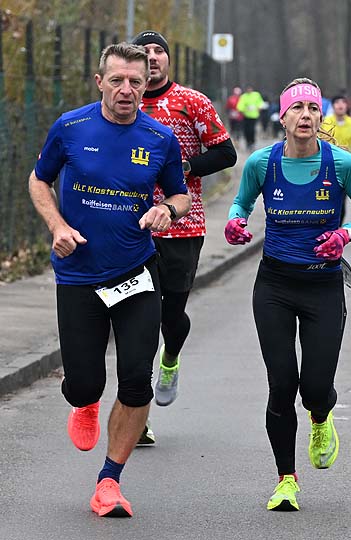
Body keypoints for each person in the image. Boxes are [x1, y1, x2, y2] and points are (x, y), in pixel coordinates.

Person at [28, 42, 191, 518]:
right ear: (100, 82)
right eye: (117, 80)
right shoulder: (71, 127)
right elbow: (39, 180)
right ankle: (84, 402)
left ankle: (109, 482)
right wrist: (57, 226)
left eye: (136, 82)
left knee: (137, 379)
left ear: (146, 85)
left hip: (136, 271)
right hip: (79, 273)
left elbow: (180, 195)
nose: (126, 90)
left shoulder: (159, 138)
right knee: (85, 383)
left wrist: (167, 210)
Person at [224, 77, 351, 511]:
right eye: (297, 108)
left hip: (323, 287)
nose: (305, 115)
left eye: (313, 108)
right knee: (281, 385)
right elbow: (241, 203)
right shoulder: (262, 163)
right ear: (283, 116)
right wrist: (235, 222)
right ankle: (286, 480)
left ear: (320, 116)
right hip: (274, 285)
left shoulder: (342, 164)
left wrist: (345, 234)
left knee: (314, 388)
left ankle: (321, 415)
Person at [131, 30, 236, 442]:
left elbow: (225, 153)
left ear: (168, 59)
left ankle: (170, 357)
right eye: (144, 51)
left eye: (159, 51)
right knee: (138, 319)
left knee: (170, 317)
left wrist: (183, 167)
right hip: (132, 226)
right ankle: (138, 416)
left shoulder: (191, 101)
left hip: (182, 225)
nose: (152, 57)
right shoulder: (124, 102)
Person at [323, 95, 351, 223]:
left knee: (341, 201)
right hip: (326, 166)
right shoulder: (325, 122)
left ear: (347, 106)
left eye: (343, 102)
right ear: (333, 106)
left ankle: (337, 229)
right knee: (324, 198)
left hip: (345, 167)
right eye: (337, 102)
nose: (340, 105)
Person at [236, 84, 264, 151]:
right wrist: (243, 109)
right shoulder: (243, 96)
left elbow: (260, 103)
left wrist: (259, 107)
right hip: (246, 116)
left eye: (250, 89)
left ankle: (252, 142)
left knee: (252, 129)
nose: (249, 90)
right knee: (246, 130)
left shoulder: (256, 95)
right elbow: (240, 106)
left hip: (254, 116)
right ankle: (248, 142)